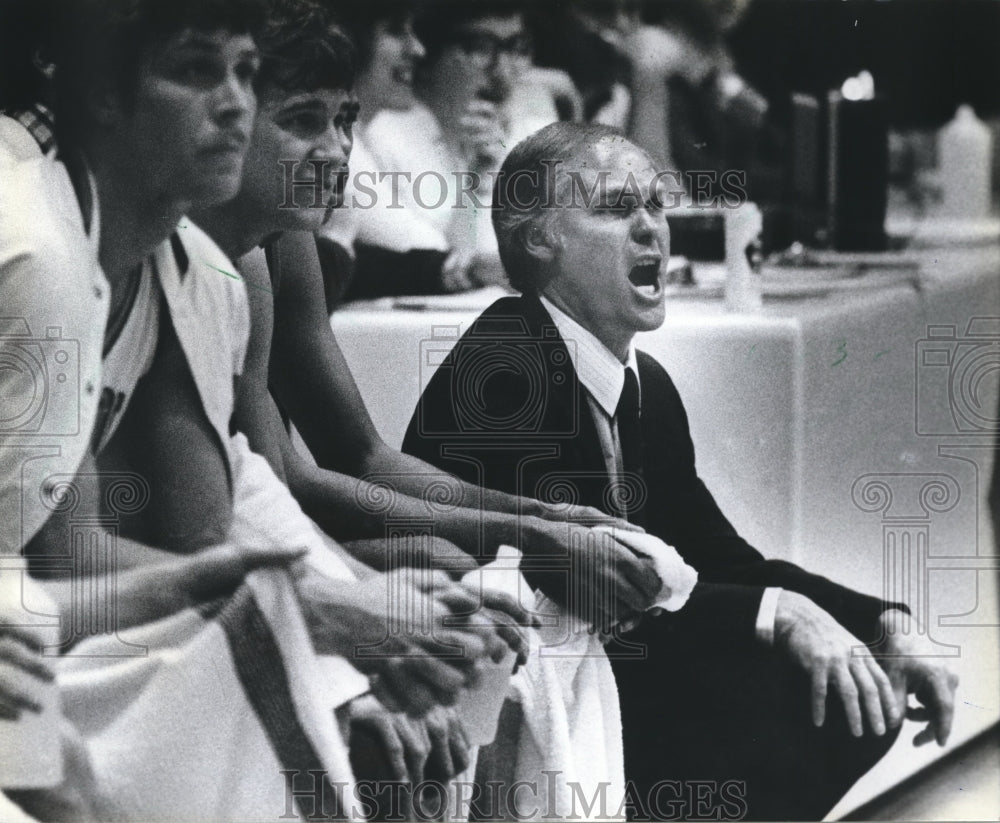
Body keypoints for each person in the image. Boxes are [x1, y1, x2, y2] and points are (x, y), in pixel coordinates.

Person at [403, 121, 960, 821]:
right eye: (614, 208)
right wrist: (780, 615)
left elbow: (718, 556)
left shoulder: (646, 383)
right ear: (538, 240)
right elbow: (605, 601)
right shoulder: (506, 362)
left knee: (860, 679)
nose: (651, 231)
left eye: (656, 206)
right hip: (499, 704)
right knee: (804, 681)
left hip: (597, 667)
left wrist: (881, 621)